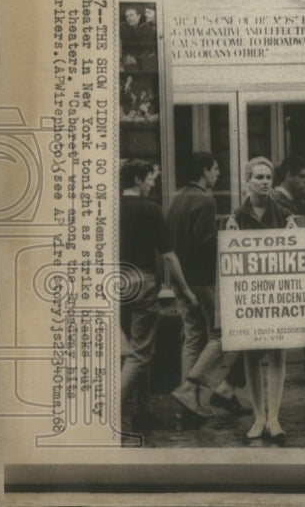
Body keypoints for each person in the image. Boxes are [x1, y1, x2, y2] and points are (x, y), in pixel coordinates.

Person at [168, 152, 249, 419]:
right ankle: (190, 388)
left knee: (192, 338)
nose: (218, 174)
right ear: (204, 171)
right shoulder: (205, 200)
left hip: (182, 280)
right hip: (203, 280)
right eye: (215, 169)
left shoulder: (177, 198)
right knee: (225, 334)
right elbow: (205, 243)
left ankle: (187, 404)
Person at [119, 160, 197, 434]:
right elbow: (169, 256)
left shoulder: (110, 208)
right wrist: (185, 290)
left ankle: (143, 409)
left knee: (136, 347)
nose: (154, 182)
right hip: (143, 280)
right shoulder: (151, 211)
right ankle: (109, 407)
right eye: (151, 178)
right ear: (139, 179)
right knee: (140, 353)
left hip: (115, 283)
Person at [227, 156, 296, 444]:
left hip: (275, 295)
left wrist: (294, 236)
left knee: (278, 353)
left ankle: (274, 417)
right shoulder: (237, 217)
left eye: (268, 177)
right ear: (247, 181)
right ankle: (258, 416)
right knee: (252, 355)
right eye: (259, 177)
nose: (265, 182)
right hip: (251, 298)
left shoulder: (284, 214)